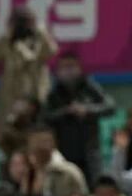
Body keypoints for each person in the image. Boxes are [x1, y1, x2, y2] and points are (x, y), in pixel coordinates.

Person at [45, 51, 115, 184]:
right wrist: (66, 112)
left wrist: (87, 110)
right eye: (64, 67)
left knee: (95, 184)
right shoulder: (54, 93)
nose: (68, 71)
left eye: (71, 66)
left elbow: (110, 107)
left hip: (90, 150)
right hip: (65, 151)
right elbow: (46, 116)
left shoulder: (89, 87)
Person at [0, 6, 58, 150]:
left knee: (38, 141)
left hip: (37, 99)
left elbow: (51, 51)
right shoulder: (8, 42)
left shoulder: (39, 40)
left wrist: (41, 31)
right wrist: (9, 35)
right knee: (11, 141)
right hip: (12, 100)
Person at [27, 126, 88, 196]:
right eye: (36, 142)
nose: (40, 147)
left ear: (54, 144)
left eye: (44, 142)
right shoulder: (27, 171)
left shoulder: (69, 172)